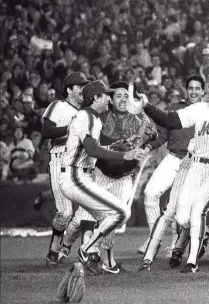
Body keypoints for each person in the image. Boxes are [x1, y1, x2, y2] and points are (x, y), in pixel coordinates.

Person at [138, 72, 209, 273]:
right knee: (182, 218)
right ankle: (198, 235)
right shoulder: (199, 108)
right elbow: (170, 120)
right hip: (195, 166)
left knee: (198, 208)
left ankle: (192, 262)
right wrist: (147, 106)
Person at [58, 81, 158, 274]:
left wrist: (122, 143)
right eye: (107, 95)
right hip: (82, 175)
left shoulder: (98, 116)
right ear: (98, 98)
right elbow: (92, 150)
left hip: (104, 175)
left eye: (124, 95)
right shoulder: (90, 117)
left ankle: (106, 261)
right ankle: (83, 249)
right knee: (105, 215)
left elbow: (153, 133)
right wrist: (124, 153)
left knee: (112, 217)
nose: (111, 98)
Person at [139, 75, 205, 254]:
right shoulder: (175, 108)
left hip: (194, 164)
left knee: (178, 205)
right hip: (173, 157)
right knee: (150, 193)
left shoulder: (208, 111)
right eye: (190, 88)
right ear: (186, 90)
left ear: (203, 91)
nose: (193, 91)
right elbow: (162, 135)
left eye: (197, 88)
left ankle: (176, 244)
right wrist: (148, 147)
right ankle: (155, 237)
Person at [40, 71, 89, 268]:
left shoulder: (87, 110)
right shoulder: (58, 106)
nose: (83, 89)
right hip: (60, 158)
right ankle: (55, 245)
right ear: (69, 89)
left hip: (82, 161)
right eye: (79, 86)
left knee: (87, 211)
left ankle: (72, 246)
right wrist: (70, 129)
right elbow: (45, 131)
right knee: (64, 212)